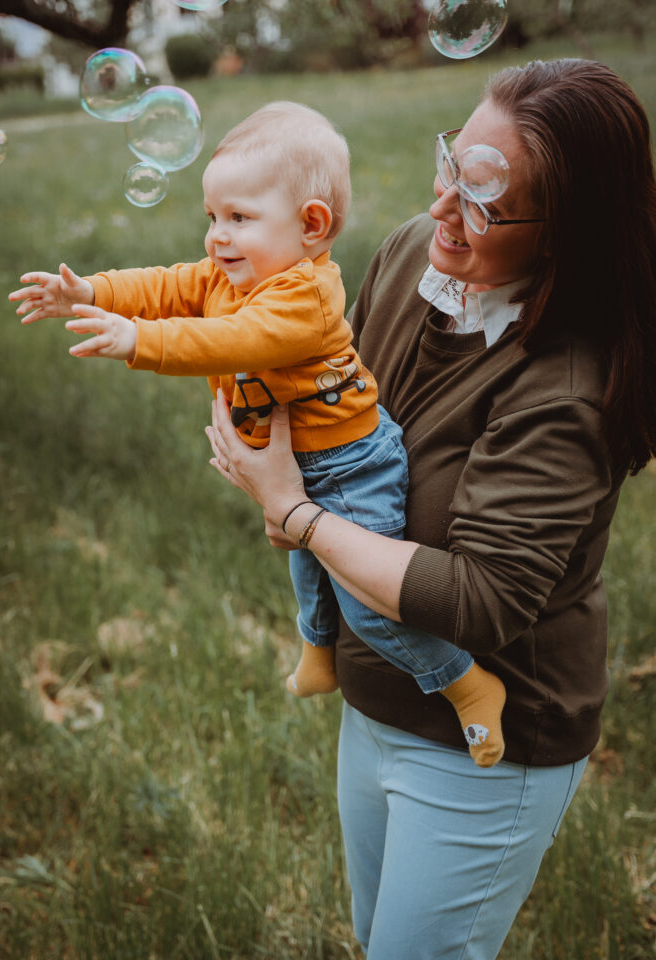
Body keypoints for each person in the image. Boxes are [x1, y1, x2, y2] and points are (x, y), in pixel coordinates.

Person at [204, 59, 656, 959]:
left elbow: (478, 600)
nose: (442, 206)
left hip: (488, 747)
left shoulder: (564, 386)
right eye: (451, 164)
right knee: (376, 938)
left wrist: (295, 512)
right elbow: (334, 414)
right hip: (376, 695)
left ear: (564, 234)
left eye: (484, 201)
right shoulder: (413, 249)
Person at [8, 100, 507, 767]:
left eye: (238, 218)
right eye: (211, 217)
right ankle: (318, 653)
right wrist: (92, 292)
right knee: (307, 567)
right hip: (308, 464)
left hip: (352, 467)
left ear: (311, 225)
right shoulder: (232, 273)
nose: (216, 237)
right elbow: (166, 285)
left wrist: (138, 341)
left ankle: (465, 682)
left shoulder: (305, 297)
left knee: (365, 605)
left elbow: (231, 340)